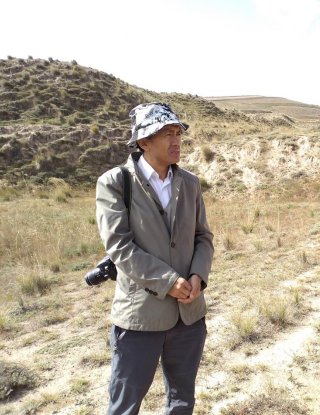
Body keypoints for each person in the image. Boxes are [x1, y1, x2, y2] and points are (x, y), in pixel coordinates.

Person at [96, 102, 214, 415]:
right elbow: (119, 246)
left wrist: (198, 276)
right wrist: (167, 281)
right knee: (125, 406)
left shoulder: (189, 183)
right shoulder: (115, 182)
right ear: (143, 142)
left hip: (188, 315)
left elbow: (203, 237)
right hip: (140, 318)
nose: (176, 141)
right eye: (166, 134)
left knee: (182, 401)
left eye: (178, 133)